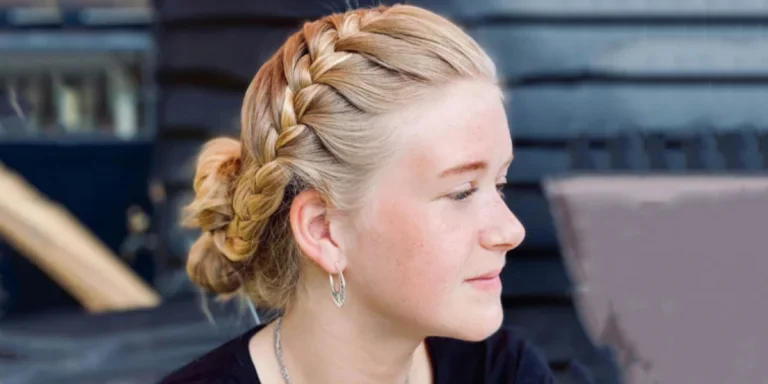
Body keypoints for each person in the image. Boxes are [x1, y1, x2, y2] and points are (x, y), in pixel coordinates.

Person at [161, 4, 556, 383]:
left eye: (499, 184)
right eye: (462, 193)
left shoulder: (504, 370)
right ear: (324, 231)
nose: (511, 230)